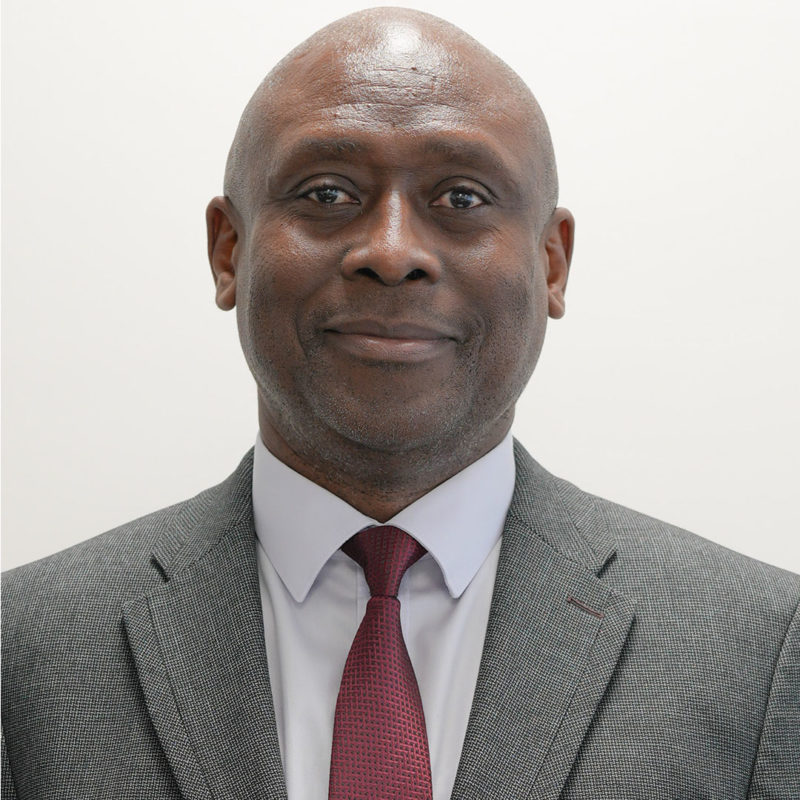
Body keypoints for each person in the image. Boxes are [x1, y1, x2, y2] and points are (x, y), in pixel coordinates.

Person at [2, 7, 798, 799]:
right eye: (326, 192)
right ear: (228, 250)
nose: (391, 252)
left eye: (462, 198)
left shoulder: (760, 651)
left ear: (552, 263)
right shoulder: (24, 650)